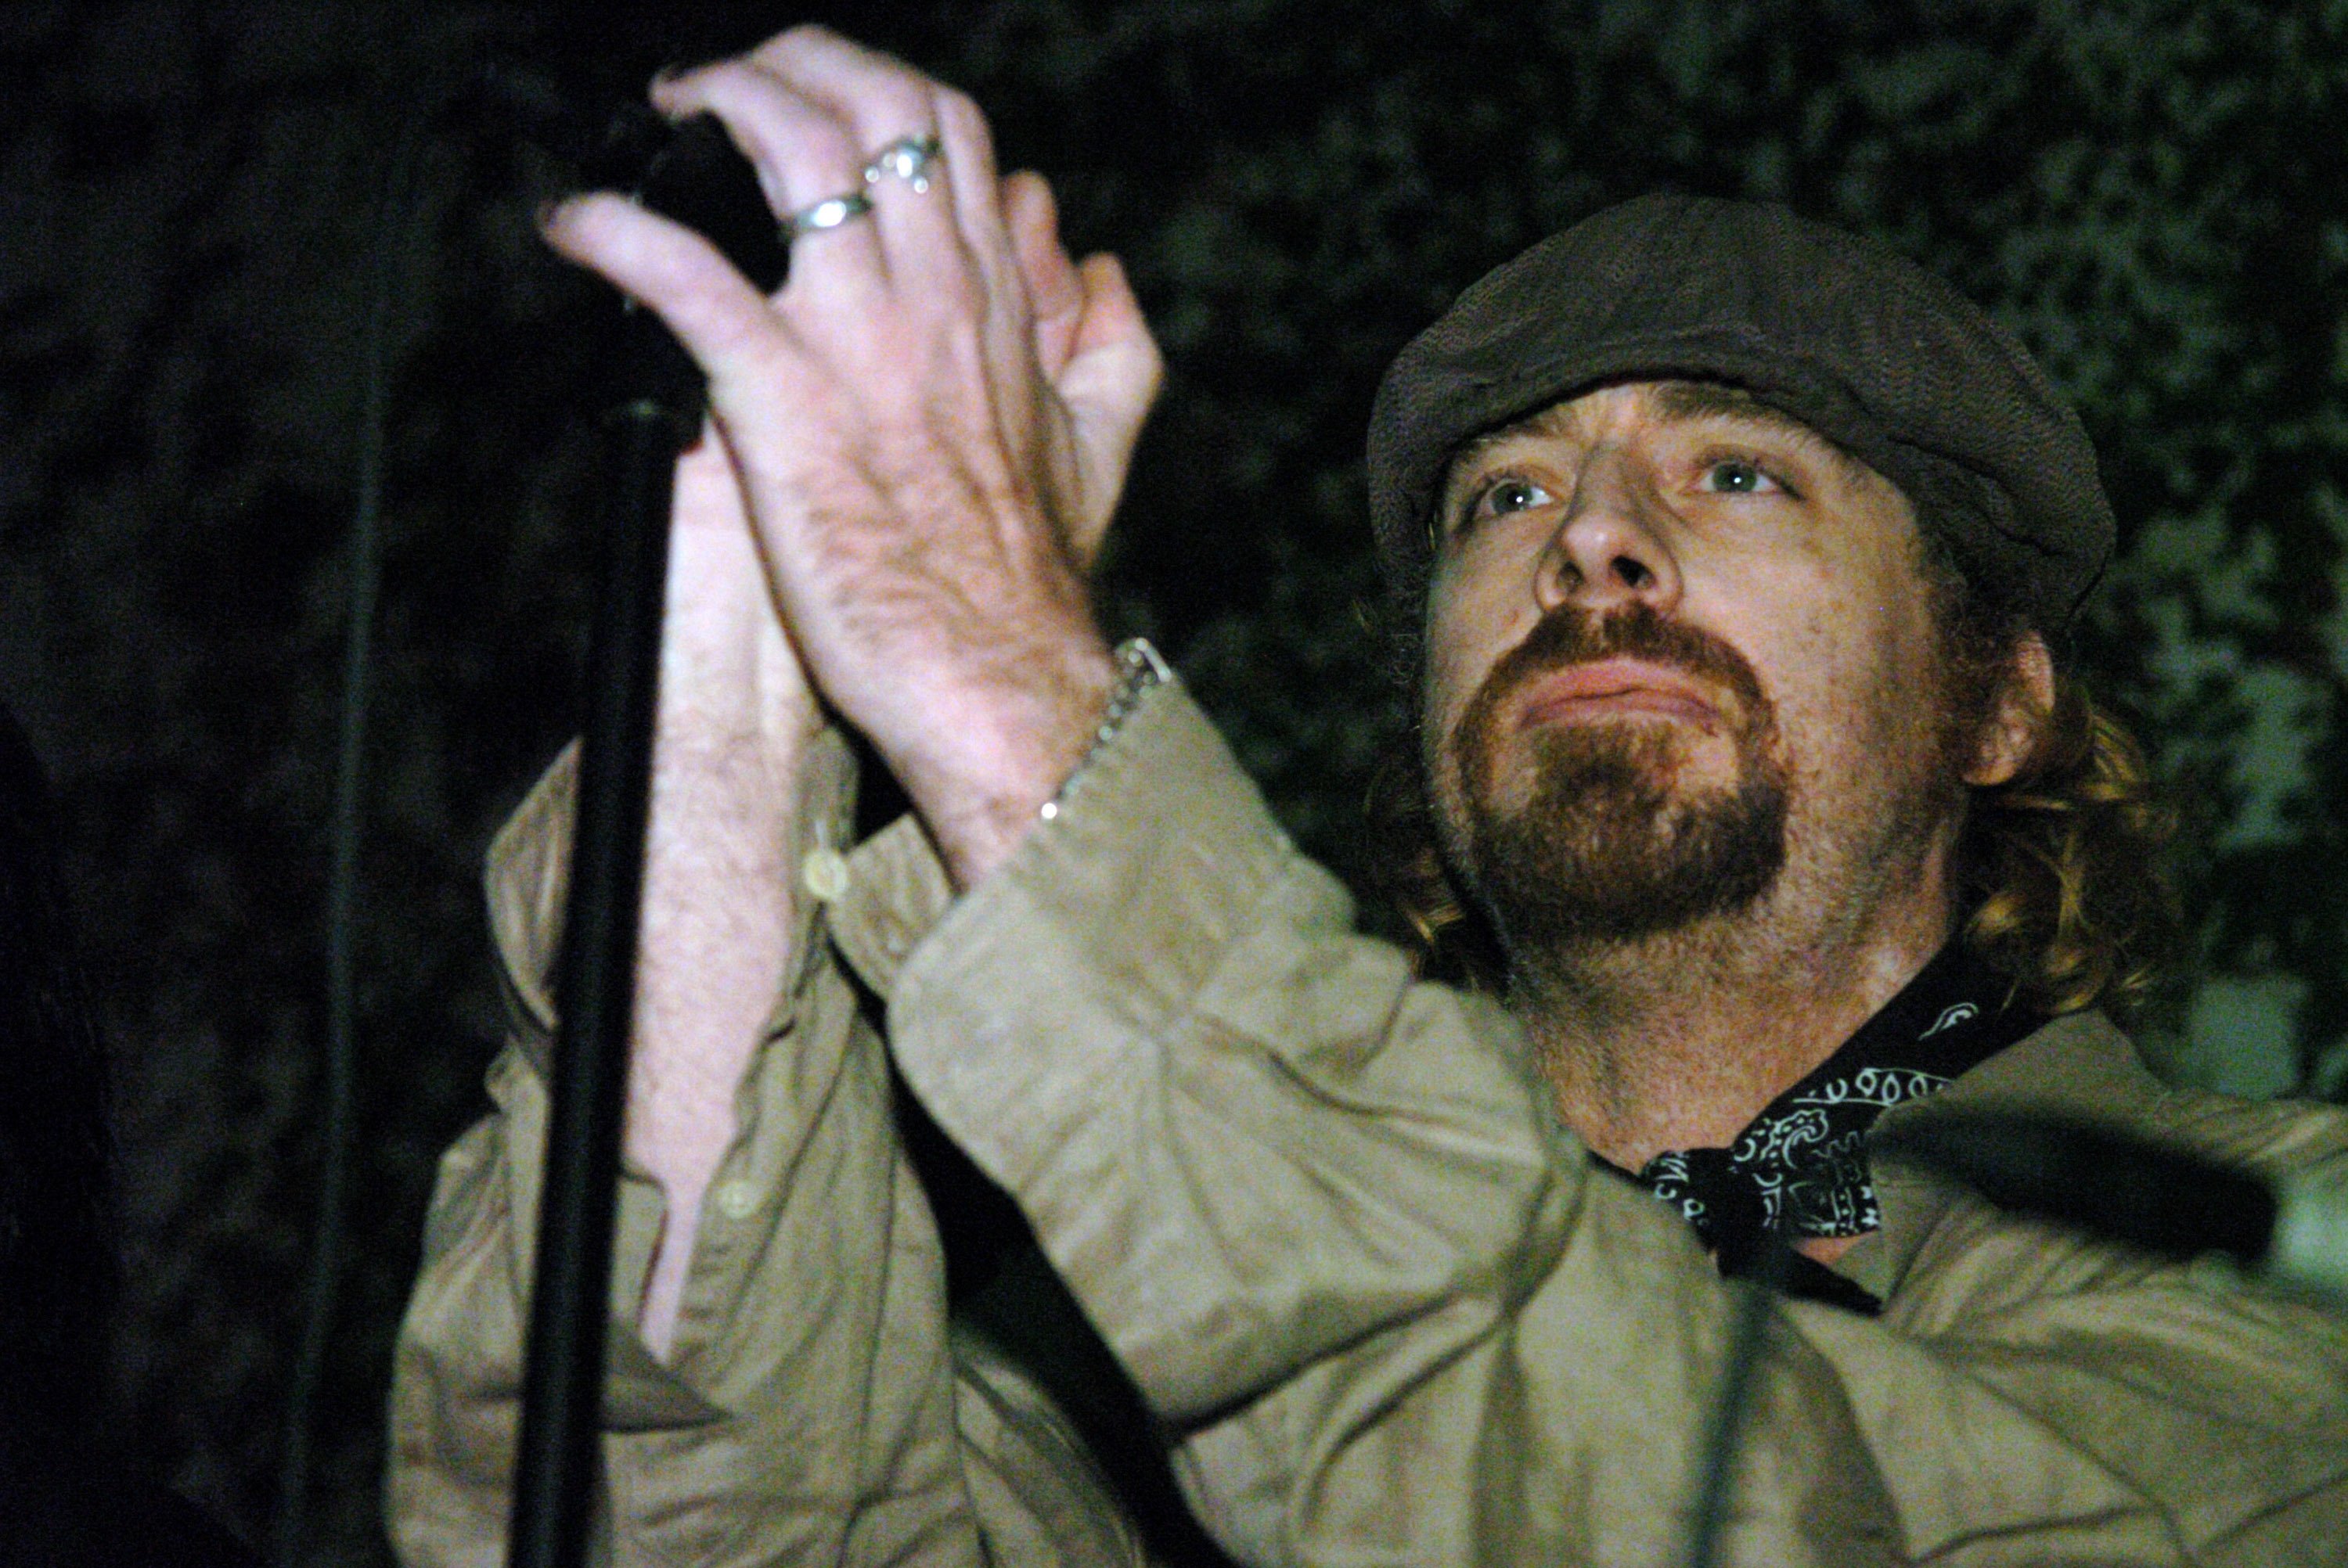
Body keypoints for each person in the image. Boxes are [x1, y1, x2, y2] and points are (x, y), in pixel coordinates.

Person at [389, 25, 2348, 1567]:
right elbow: (672, 1504)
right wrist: (759, 646)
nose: (1596, 543)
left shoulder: (2279, 1251)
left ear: (2001, 698)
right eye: (1509, 498)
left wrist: (1006, 703)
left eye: (1740, 474)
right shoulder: (1114, 1330)